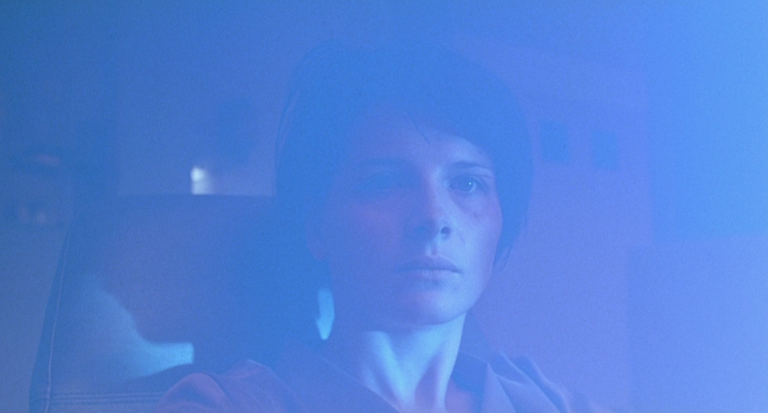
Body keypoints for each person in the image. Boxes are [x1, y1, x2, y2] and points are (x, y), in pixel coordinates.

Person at [157, 42, 602, 413]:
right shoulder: (223, 406)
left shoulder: (552, 402)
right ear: (316, 225)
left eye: (467, 183)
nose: (434, 218)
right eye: (384, 182)